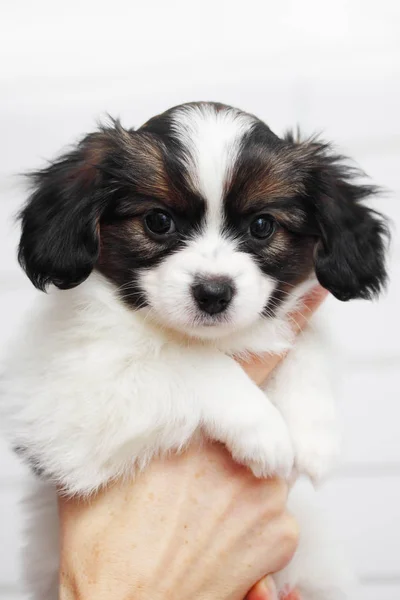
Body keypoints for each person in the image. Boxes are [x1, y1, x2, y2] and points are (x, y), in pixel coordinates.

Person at [58, 287, 328, 600]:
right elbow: (75, 424)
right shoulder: (93, 325)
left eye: (259, 232)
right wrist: (216, 389)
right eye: (160, 232)